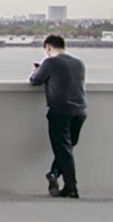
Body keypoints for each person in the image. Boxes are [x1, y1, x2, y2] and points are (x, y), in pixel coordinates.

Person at [29, 34, 87, 199]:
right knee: (67, 148)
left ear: (48, 47)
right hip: (81, 109)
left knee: (63, 149)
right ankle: (54, 174)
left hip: (61, 110)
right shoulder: (78, 63)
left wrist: (36, 71)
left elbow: (35, 81)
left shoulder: (50, 62)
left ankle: (71, 187)